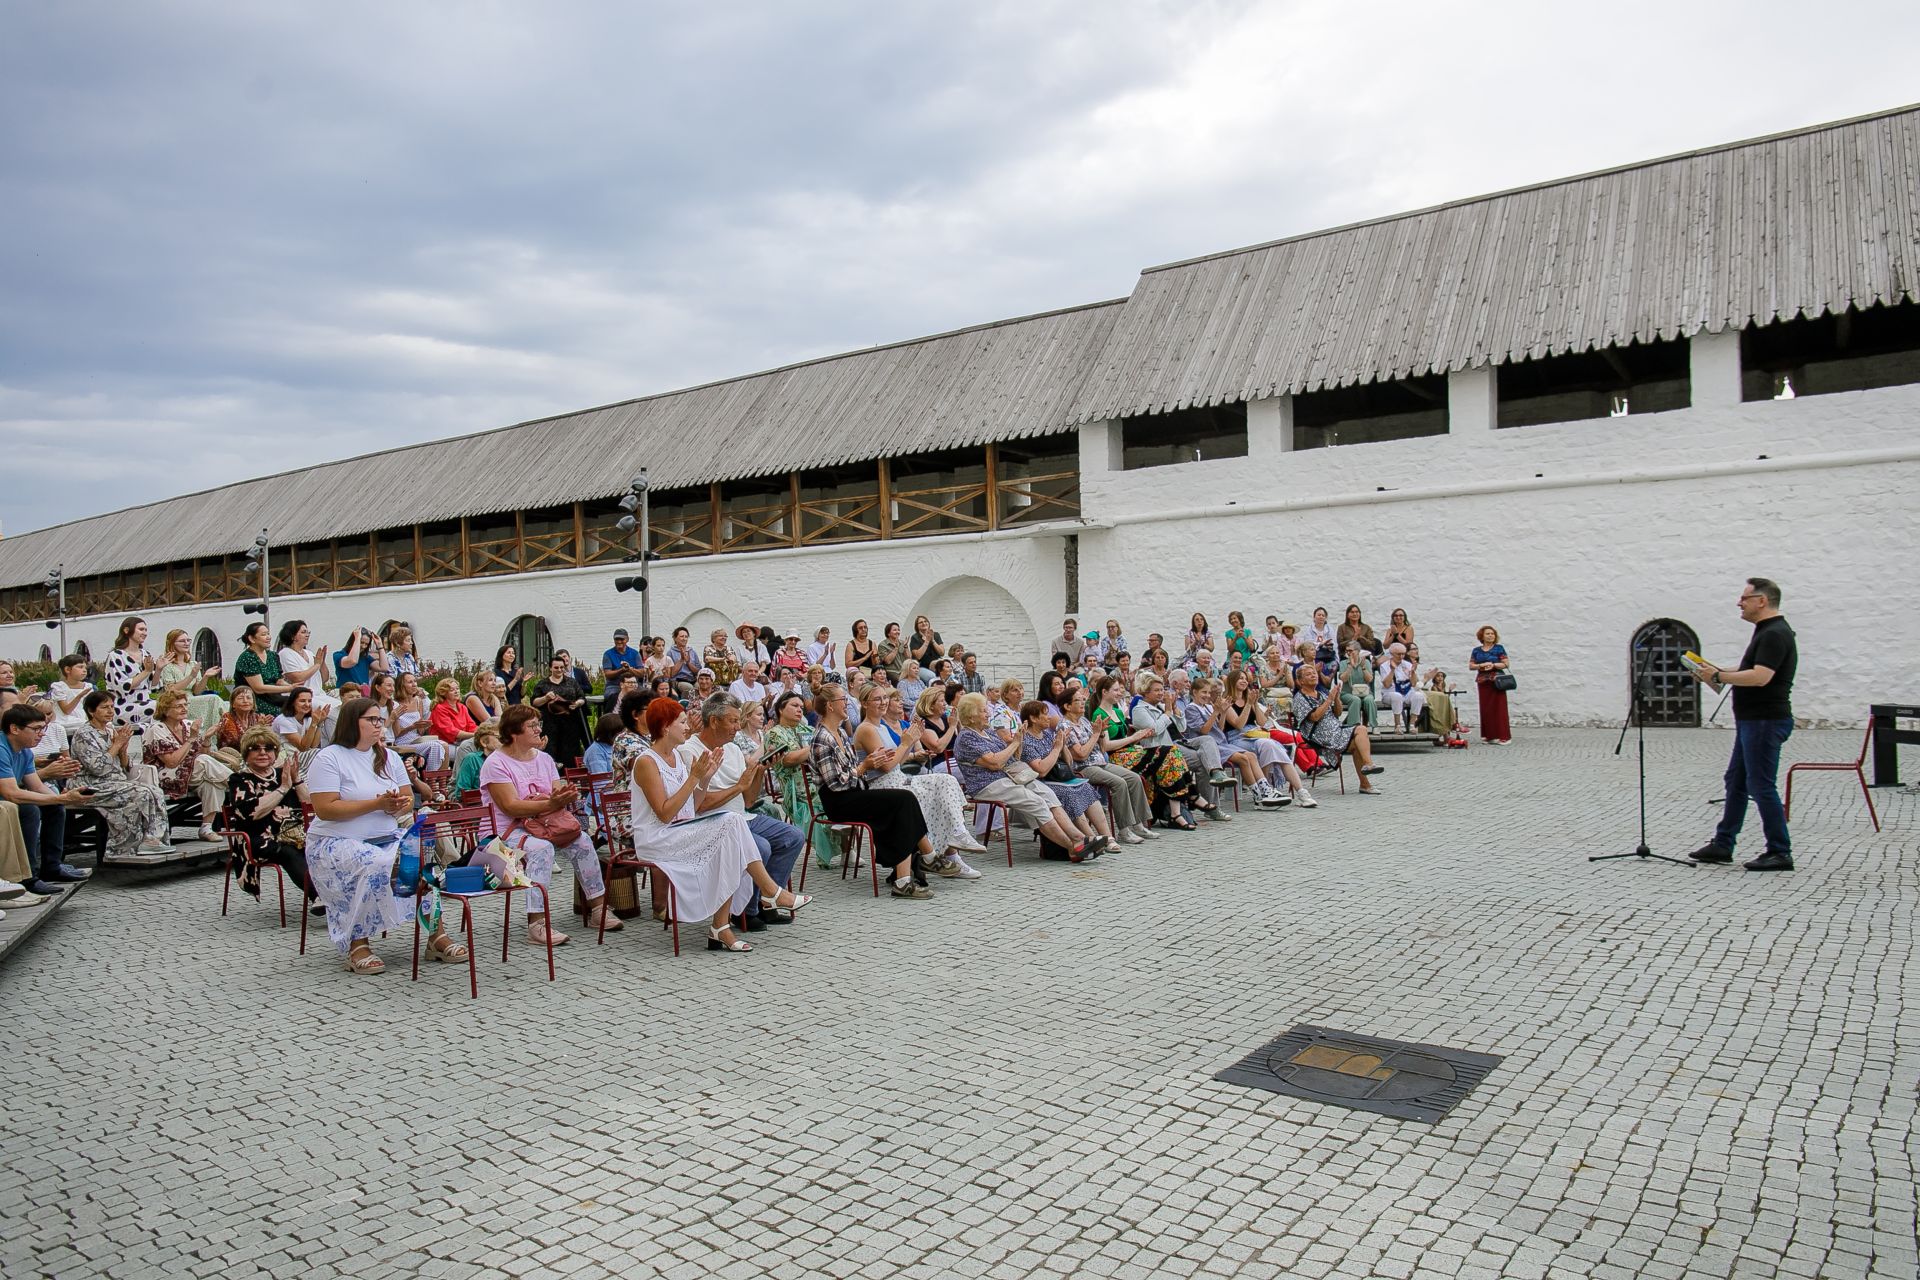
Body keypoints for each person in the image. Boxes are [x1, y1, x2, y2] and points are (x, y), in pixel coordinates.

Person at [629, 697, 810, 951]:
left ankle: (721, 927)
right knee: (732, 823)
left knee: (731, 836)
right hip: (657, 837)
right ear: (665, 726)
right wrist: (694, 778)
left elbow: (692, 805)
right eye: (682, 722)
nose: (687, 727)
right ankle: (769, 892)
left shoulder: (677, 759)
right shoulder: (646, 762)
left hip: (681, 829)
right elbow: (664, 814)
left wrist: (704, 778)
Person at [306, 698, 468, 974]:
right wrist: (376, 804)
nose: (379, 725)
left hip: (384, 835)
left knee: (423, 861)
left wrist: (398, 804)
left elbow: (407, 796)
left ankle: (435, 934)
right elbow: (325, 808)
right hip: (335, 841)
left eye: (380, 720)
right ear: (351, 722)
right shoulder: (329, 757)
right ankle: (358, 942)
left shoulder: (388, 756)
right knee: (374, 863)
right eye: (372, 720)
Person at [1689, 579, 1799, 872]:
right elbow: (1747, 669)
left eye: (1744, 598)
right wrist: (1712, 671)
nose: (1739, 603)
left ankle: (1780, 851)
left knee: (1761, 785)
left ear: (1762, 601)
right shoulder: (1766, 632)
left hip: (1765, 720)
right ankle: (1723, 844)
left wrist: (1720, 678)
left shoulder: (1775, 633)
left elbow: (1761, 676)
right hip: (1753, 720)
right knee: (1735, 781)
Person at [480, 704, 614, 942]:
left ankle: (597, 908)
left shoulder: (544, 758)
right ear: (513, 732)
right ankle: (536, 922)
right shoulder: (496, 763)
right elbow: (510, 806)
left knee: (583, 840)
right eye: (531, 725)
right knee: (541, 849)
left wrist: (566, 796)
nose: (538, 729)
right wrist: (552, 804)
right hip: (503, 832)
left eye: (538, 724)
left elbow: (555, 792)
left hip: (544, 824)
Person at [680, 693, 806, 930]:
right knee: (761, 847)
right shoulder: (690, 751)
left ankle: (764, 902)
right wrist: (737, 787)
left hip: (741, 816)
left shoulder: (733, 749)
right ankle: (746, 912)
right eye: (733, 721)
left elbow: (747, 800)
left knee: (793, 837)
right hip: (712, 822)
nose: (738, 728)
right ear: (714, 721)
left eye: (739, 721)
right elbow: (700, 805)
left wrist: (759, 772)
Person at [809, 683, 945, 897]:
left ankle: (908, 875)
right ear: (830, 706)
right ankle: (926, 859)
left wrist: (869, 763)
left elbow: (854, 770)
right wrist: (865, 766)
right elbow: (835, 783)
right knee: (902, 800)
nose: (847, 704)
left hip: (853, 792)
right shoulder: (822, 738)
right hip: (838, 800)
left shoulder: (841, 734)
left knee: (904, 801)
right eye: (842, 700)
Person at [951, 693, 1104, 860]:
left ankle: (1079, 839)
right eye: (983, 711)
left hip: (1011, 776)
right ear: (971, 716)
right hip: (987, 783)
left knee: (1048, 794)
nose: (988, 713)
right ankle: (1074, 845)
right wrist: (1016, 742)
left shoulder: (988, 731)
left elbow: (1011, 757)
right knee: (1037, 802)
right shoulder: (966, 737)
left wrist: (1019, 742)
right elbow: (994, 763)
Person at [853, 685, 985, 877]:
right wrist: (906, 742)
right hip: (883, 785)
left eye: (884, 698)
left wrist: (911, 741)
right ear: (865, 703)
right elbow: (886, 767)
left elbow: (898, 759)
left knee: (945, 781)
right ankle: (946, 855)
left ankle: (958, 833)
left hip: (899, 778)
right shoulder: (866, 729)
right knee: (932, 797)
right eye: (877, 699)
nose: (883, 703)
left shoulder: (881, 726)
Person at [0, 702, 92, 888]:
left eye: (44, 728)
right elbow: (12, 794)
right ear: (14, 729)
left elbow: (36, 786)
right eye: (37, 729)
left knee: (54, 806)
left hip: (8, 803)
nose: (42, 734)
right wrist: (60, 798)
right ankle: (28, 876)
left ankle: (52, 866)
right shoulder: (2, 749)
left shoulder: (24, 751)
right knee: (29, 810)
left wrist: (64, 796)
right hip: (5, 805)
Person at [70, 690, 173, 855]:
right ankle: (125, 847)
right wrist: (117, 745)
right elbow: (97, 768)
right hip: (90, 784)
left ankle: (152, 839)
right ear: (91, 711)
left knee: (155, 790)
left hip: (115, 781)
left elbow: (125, 767)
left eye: (112, 706)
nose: (110, 711)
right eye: (104, 707)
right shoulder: (84, 735)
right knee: (141, 793)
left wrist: (123, 750)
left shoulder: (110, 730)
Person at [223, 728, 314, 908]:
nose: (263, 753)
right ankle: (318, 896)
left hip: (294, 832)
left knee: (325, 846)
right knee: (288, 850)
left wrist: (296, 781)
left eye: (269, 748)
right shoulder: (239, 779)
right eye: (255, 748)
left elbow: (309, 804)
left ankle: (340, 895)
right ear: (246, 754)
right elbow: (253, 813)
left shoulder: (284, 774)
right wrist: (283, 789)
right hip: (257, 837)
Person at [1055, 683, 1154, 842]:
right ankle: (1124, 829)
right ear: (1067, 706)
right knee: (1119, 783)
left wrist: (1101, 733)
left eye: (1083, 700)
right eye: (1078, 701)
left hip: (1100, 762)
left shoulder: (1085, 721)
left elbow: (1101, 750)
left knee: (1134, 778)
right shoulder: (1064, 725)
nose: (1083, 703)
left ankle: (1139, 825)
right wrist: (1096, 734)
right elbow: (1080, 755)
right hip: (1083, 767)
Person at [1017, 699, 1117, 846]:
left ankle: (1107, 837)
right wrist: (1056, 749)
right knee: (1068, 794)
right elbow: (1042, 771)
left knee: (1086, 788)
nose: (1050, 717)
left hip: (1059, 778)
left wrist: (1062, 745)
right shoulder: (1027, 741)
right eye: (1045, 714)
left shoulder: (1047, 735)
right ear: (1033, 718)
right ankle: (1090, 838)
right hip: (1041, 782)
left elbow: (1069, 763)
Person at [1135, 675, 1229, 823]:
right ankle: (1210, 805)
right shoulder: (1139, 710)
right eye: (1157, 690)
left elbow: (1181, 727)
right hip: (1161, 751)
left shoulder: (1161, 707)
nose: (1161, 693)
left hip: (1178, 744)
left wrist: (1175, 709)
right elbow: (1154, 730)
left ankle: (1216, 773)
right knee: (1203, 761)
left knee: (1207, 741)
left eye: (1162, 690)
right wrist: (1167, 712)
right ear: (1146, 692)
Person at [146, 690, 232, 842]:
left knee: (212, 783)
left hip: (193, 773)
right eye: (178, 706)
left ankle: (206, 828)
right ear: (165, 710)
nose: (184, 709)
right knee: (203, 762)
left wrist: (206, 738)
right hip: (164, 775)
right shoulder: (156, 730)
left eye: (186, 705)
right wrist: (191, 739)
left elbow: (202, 753)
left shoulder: (187, 725)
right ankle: (237, 783)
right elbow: (171, 762)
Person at [762, 692, 834, 871]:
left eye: (801, 707)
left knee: (842, 792)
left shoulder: (808, 730)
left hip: (817, 780)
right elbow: (787, 759)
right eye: (794, 706)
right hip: (794, 787)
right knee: (821, 798)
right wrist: (816, 746)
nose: (799, 710)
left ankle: (846, 849)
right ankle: (833, 849)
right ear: (780, 709)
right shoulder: (773, 734)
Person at [1291, 664, 1384, 794]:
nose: (1313, 675)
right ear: (1301, 681)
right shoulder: (1299, 698)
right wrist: (1329, 699)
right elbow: (1315, 717)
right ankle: (1366, 779)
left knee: (1361, 731)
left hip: (1336, 729)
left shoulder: (1321, 693)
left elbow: (1338, 713)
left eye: (1314, 673)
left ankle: (1367, 773)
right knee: (1360, 732)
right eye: (1308, 674)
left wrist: (1336, 698)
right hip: (1318, 735)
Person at [159, 630, 225, 731]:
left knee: (223, 703)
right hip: (177, 701)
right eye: (182, 641)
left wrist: (206, 676)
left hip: (192, 699)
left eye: (188, 640)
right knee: (214, 699)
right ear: (172, 644)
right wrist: (191, 676)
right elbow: (171, 690)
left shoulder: (192, 664)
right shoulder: (167, 665)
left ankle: (222, 730)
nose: (186, 643)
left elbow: (197, 691)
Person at [531, 655, 588, 768]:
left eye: (562, 667)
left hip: (570, 721)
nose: (559, 670)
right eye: (556, 668)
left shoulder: (572, 682)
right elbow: (534, 702)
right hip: (550, 722)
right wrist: (546, 698)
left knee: (570, 748)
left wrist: (576, 704)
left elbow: (582, 698)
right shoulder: (542, 684)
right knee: (551, 747)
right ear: (551, 668)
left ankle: (569, 771)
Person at [105, 615, 161, 729]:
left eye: (146, 630)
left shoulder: (145, 654)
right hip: (124, 706)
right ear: (126, 630)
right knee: (163, 707)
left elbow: (153, 685)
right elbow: (122, 687)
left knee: (171, 706)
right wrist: (146, 671)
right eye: (141, 629)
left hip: (146, 702)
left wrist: (159, 669)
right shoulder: (116, 656)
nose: (145, 633)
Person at [233, 622, 298, 716]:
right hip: (254, 699)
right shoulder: (248, 657)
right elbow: (259, 688)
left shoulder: (272, 655)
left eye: (268, 633)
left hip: (273, 697)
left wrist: (295, 689)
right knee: (282, 712)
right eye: (263, 635)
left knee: (300, 706)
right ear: (252, 639)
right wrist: (289, 688)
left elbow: (279, 681)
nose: (268, 637)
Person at [276, 619, 336, 717]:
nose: (307, 635)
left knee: (341, 707)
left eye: (308, 632)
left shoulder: (309, 653)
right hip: (303, 698)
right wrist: (316, 665)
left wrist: (322, 662)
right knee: (332, 712)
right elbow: (298, 678)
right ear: (293, 636)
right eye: (303, 632)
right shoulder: (285, 653)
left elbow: (324, 679)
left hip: (319, 695)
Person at [390, 672, 447, 773]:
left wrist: (425, 726)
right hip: (403, 743)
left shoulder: (417, 701)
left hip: (417, 740)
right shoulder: (394, 704)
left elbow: (420, 732)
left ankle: (440, 779)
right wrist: (412, 727)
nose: (414, 684)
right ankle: (431, 778)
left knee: (443, 745)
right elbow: (397, 734)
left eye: (415, 681)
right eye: (410, 682)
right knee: (435, 746)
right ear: (402, 686)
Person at [1469, 626, 1512, 745]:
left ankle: (1504, 736)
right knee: (1486, 709)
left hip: (1497, 681)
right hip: (1483, 681)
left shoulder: (1499, 648)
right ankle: (1489, 735)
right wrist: (1481, 665)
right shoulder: (1476, 650)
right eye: (1488, 634)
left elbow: (1506, 664)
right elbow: (1471, 665)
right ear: (1482, 636)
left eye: (1492, 634)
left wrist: (1493, 665)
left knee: (1499, 708)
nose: (1490, 636)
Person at [1376, 643, 1426, 732]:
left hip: (1406, 692)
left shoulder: (1407, 664)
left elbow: (1414, 684)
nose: (1401, 656)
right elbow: (1386, 685)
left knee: (1419, 696)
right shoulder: (1385, 666)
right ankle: (1397, 725)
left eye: (1403, 654)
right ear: (1392, 654)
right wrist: (1392, 670)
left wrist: (1413, 672)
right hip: (1390, 692)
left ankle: (1412, 725)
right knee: (1397, 696)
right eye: (1398, 654)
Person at [215, 684, 274, 758]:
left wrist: (266, 729)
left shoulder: (256, 717)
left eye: (249, 698)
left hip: (255, 755)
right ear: (233, 704)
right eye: (240, 698)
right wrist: (256, 728)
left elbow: (267, 741)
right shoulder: (227, 718)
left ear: (253, 704)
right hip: (231, 757)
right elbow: (234, 743)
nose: (245, 701)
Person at [49, 653, 94, 736]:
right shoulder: (59, 687)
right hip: (65, 721)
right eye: (80, 667)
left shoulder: (88, 686)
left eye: (85, 668)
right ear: (67, 670)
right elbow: (66, 710)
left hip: (82, 719)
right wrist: (79, 696)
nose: (84, 670)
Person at [455, 720, 502, 797]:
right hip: (478, 805)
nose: (504, 741)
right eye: (499, 738)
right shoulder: (472, 759)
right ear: (484, 742)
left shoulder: (505, 759)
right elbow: (461, 793)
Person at [1338, 640, 1378, 730]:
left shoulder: (1366, 662)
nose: (1348, 653)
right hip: (1347, 692)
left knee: (1369, 699)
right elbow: (1343, 679)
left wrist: (1363, 667)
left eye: (1351, 651)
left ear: (1358, 651)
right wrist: (1350, 667)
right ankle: (1354, 726)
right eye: (1347, 651)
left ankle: (1374, 725)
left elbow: (1369, 679)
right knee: (1355, 699)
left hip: (1364, 692)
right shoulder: (1343, 663)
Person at [666, 627, 700, 698]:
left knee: (700, 686)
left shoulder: (692, 652)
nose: (684, 639)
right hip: (678, 680)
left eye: (686, 636)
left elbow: (698, 671)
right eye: (682, 636)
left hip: (692, 679)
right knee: (689, 688)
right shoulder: (670, 653)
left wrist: (688, 663)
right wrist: (681, 660)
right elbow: (671, 674)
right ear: (675, 638)